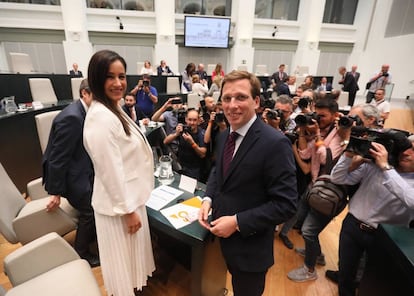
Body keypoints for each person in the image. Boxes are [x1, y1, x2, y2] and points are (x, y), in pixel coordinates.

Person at [198, 70, 297, 296]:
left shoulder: (275, 144)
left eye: (240, 97)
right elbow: (218, 172)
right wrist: (208, 198)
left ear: (256, 101)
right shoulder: (224, 135)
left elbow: (286, 204)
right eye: (227, 98)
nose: (232, 105)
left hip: (250, 249)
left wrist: (236, 222)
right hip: (223, 239)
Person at [83, 49, 155, 295]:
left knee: (132, 267)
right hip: (119, 208)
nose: (118, 83)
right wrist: (128, 211)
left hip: (130, 200)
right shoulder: (100, 118)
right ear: (96, 79)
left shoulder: (112, 107)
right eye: (110, 77)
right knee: (123, 271)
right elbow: (109, 171)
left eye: (122, 76)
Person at [331, 133, 414, 296]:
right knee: (345, 273)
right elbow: (337, 178)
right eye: (407, 147)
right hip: (353, 227)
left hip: (385, 239)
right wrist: (348, 156)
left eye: (413, 150)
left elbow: (411, 201)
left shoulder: (384, 167)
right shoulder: (374, 166)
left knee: (374, 282)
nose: (406, 152)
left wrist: (386, 169)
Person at [288, 98, 350, 283]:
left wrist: (316, 136)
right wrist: (302, 133)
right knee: (301, 220)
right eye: (317, 114)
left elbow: (324, 159)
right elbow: (305, 154)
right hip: (314, 185)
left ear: (335, 116)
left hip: (330, 192)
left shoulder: (340, 135)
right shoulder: (320, 131)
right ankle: (317, 255)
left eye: (323, 116)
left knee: (308, 231)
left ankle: (309, 270)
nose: (319, 119)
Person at [42, 78, 98, 267]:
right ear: (85, 93)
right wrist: (55, 192)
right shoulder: (72, 117)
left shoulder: (84, 111)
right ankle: (81, 253)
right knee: (90, 210)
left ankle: (92, 237)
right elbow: (58, 158)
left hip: (81, 168)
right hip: (72, 176)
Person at [163, 108, 207, 180]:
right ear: (186, 119)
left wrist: (192, 143)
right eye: (190, 120)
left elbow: (202, 154)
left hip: (194, 169)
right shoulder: (183, 129)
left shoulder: (201, 133)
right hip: (181, 166)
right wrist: (176, 134)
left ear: (198, 121)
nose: (192, 123)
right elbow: (165, 141)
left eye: (194, 120)